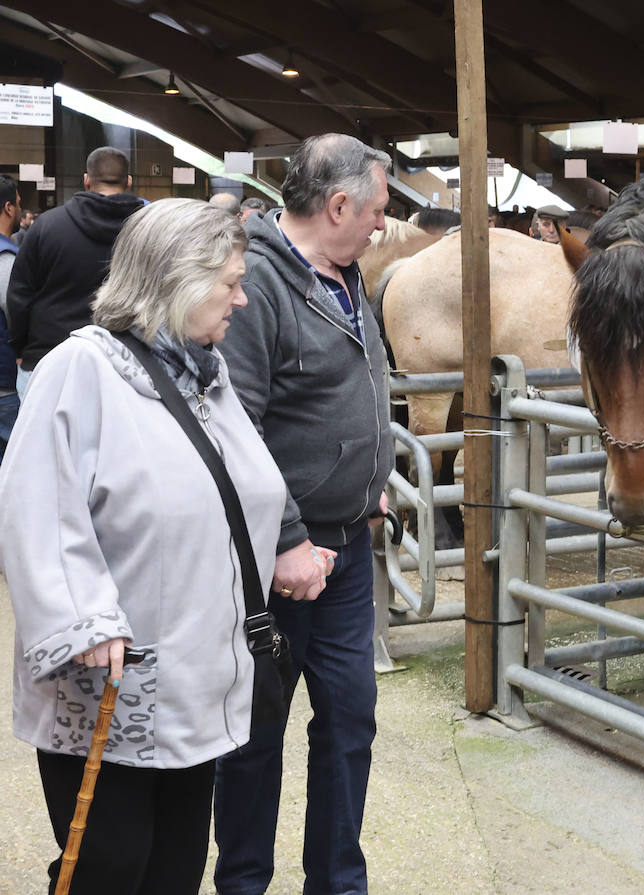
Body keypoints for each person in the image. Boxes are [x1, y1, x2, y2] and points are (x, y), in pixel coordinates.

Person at [0, 198, 292, 894]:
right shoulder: (82, 369)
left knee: (176, 868)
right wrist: (87, 617)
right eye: (230, 281)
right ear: (178, 279)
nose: (242, 298)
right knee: (109, 867)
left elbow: (247, 487)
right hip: (113, 678)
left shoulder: (208, 376)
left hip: (197, 681)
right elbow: (37, 501)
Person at [213, 132, 394, 895]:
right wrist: (286, 538)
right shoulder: (256, 284)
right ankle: (245, 883)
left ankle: (336, 884)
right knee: (256, 737)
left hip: (350, 552)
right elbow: (234, 426)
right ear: (339, 204)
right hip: (278, 564)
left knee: (350, 723)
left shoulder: (351, 275)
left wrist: (368, 477)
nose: (385, 224)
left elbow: (349, 390)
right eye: (378, 210)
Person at [6, 147, 143, 396]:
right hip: (130, 365)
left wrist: (22, 347)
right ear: (129, 182)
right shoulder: (150, 229)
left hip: (48, 357)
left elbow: (19, 296)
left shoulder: (47, 226)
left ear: (86, 180)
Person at [0, 175, 20, 460]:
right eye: (18, 202)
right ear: (8, 208)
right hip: (4, 388)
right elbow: (16, 313)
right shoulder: (6, 257)